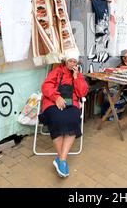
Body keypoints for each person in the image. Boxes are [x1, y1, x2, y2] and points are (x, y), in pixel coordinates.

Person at [39, 50, 89, 178]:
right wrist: (56, 98)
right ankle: (62, 160)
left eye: (75, 62)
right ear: (65, 61)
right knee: (56, 119)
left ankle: (61, 159)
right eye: (70, 61)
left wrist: (76, 78)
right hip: (52, 102)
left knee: (73, 120)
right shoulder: (57, 71)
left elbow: (82, 93)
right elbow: (46, 87)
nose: (72, 63)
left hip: (71, 103)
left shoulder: (78, 75)